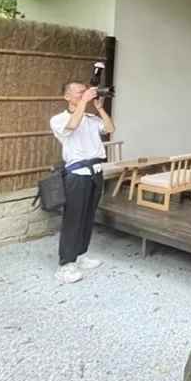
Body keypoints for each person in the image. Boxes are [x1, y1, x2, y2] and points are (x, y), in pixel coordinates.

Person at [50, 81, 116, 284]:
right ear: (67, 97)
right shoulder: (59, 119)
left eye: (85, 92)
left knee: (88, 216)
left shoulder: (91, 118)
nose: (84, 94)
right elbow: (71, 126)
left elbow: (110, 128)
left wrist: (100, 108)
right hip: (77, 174)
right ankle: (65, 264)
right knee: (73, 218)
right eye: (79, 92)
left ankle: (80, 254)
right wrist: (84, 103)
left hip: (95, 172)